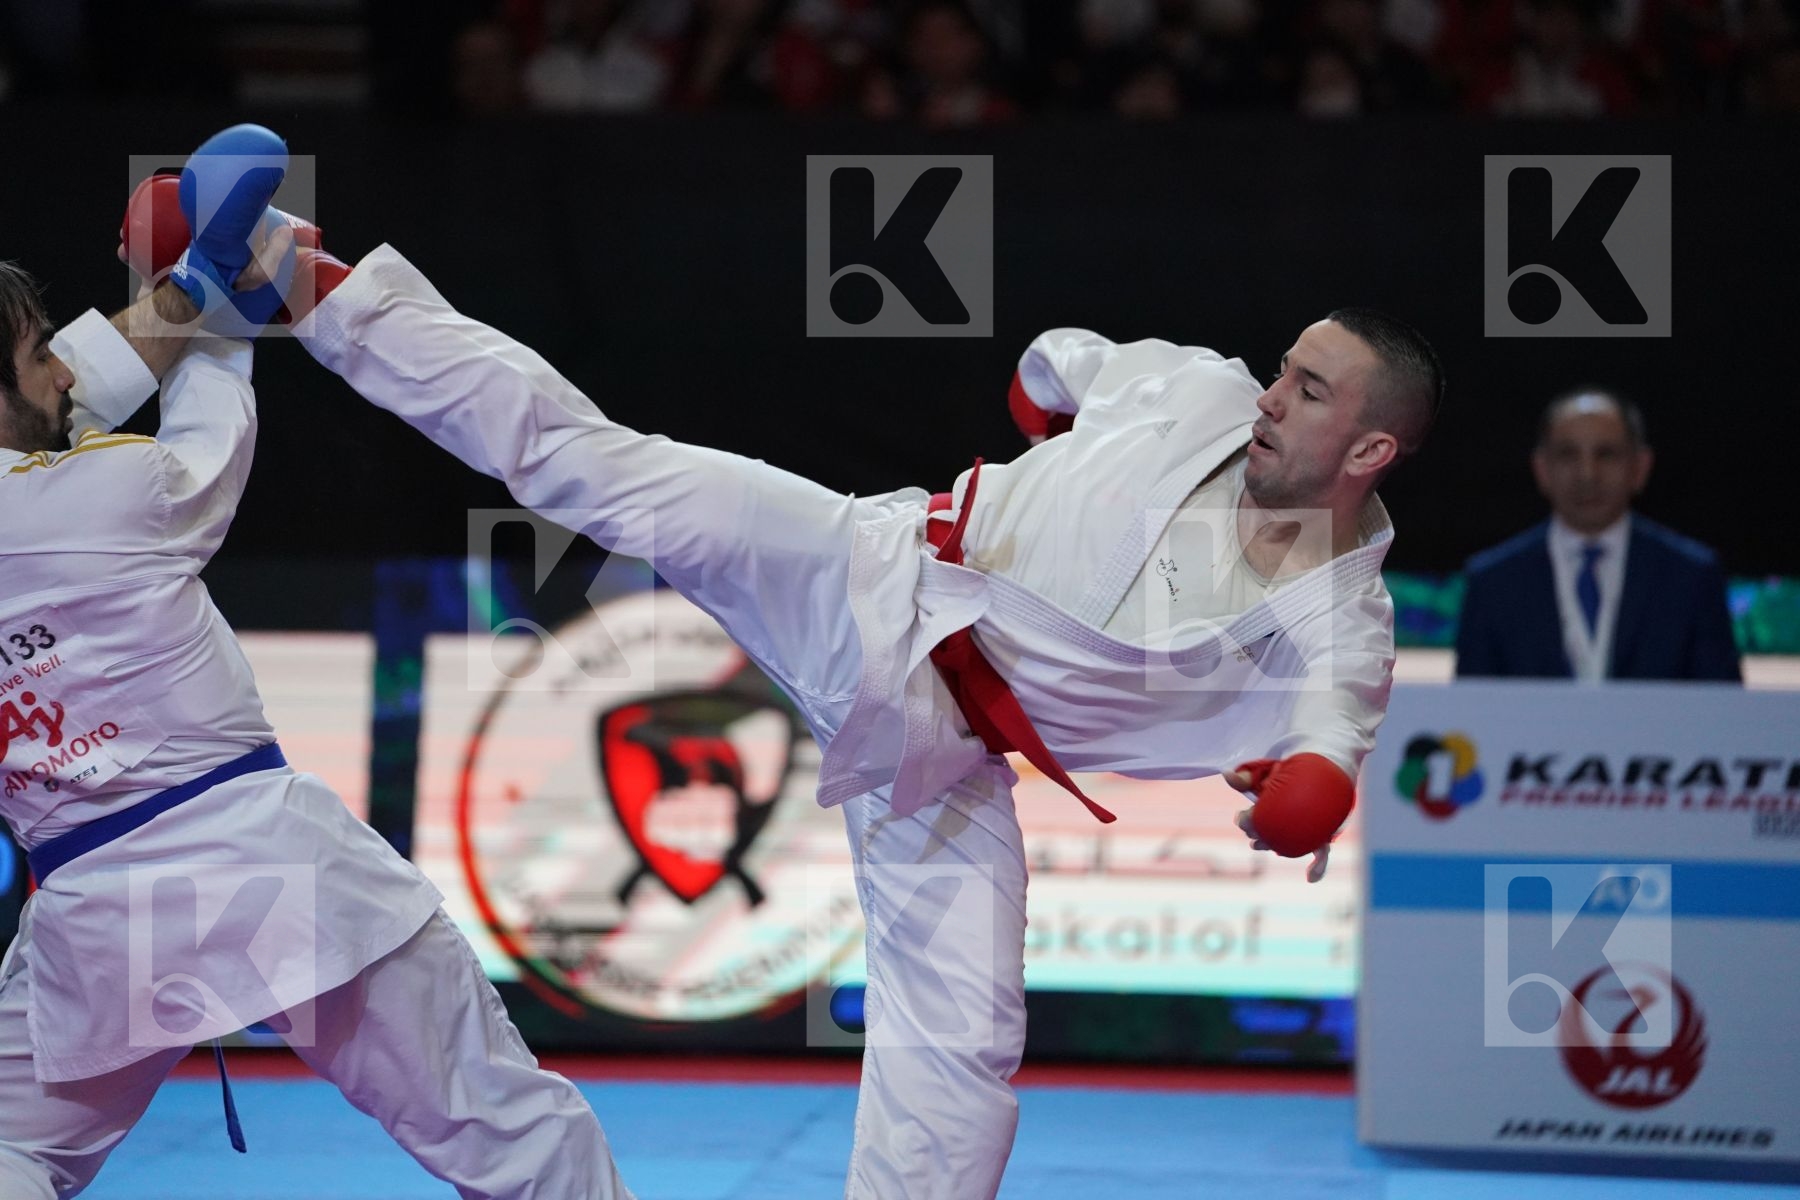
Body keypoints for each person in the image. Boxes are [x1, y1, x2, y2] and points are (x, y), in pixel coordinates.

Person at [290, 234, 1440, 1198]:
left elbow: (1333, 742)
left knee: (958, 1046)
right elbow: (1061, 362)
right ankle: (313, 289)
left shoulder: (1345, 613)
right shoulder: (1193, 388)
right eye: (1286, 370)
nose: (1271, 398)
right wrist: (1044, 406)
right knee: (603, 470)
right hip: (869, 568)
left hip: (939, 756)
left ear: (1372, 450)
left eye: (1310, 391)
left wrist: (1302, 794)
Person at [0, 127, 634, 1200]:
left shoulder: (56, 483)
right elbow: (196, 434)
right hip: (263, 863)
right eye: (34, 350)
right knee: (504, 1127)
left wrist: (181, 284)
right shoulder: (112, 494)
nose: (61, 364)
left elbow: (55, 411)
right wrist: (213, 297)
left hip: (96, 916)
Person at [1455, 388, 1740, 682]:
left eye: (1606, 454)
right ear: (1542, 469)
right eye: (1568, 454)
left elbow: (1723, 711)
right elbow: (1472, 714)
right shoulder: (1493, 582)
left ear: (1639, 468)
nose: (1587, 474)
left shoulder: (1691, 578)